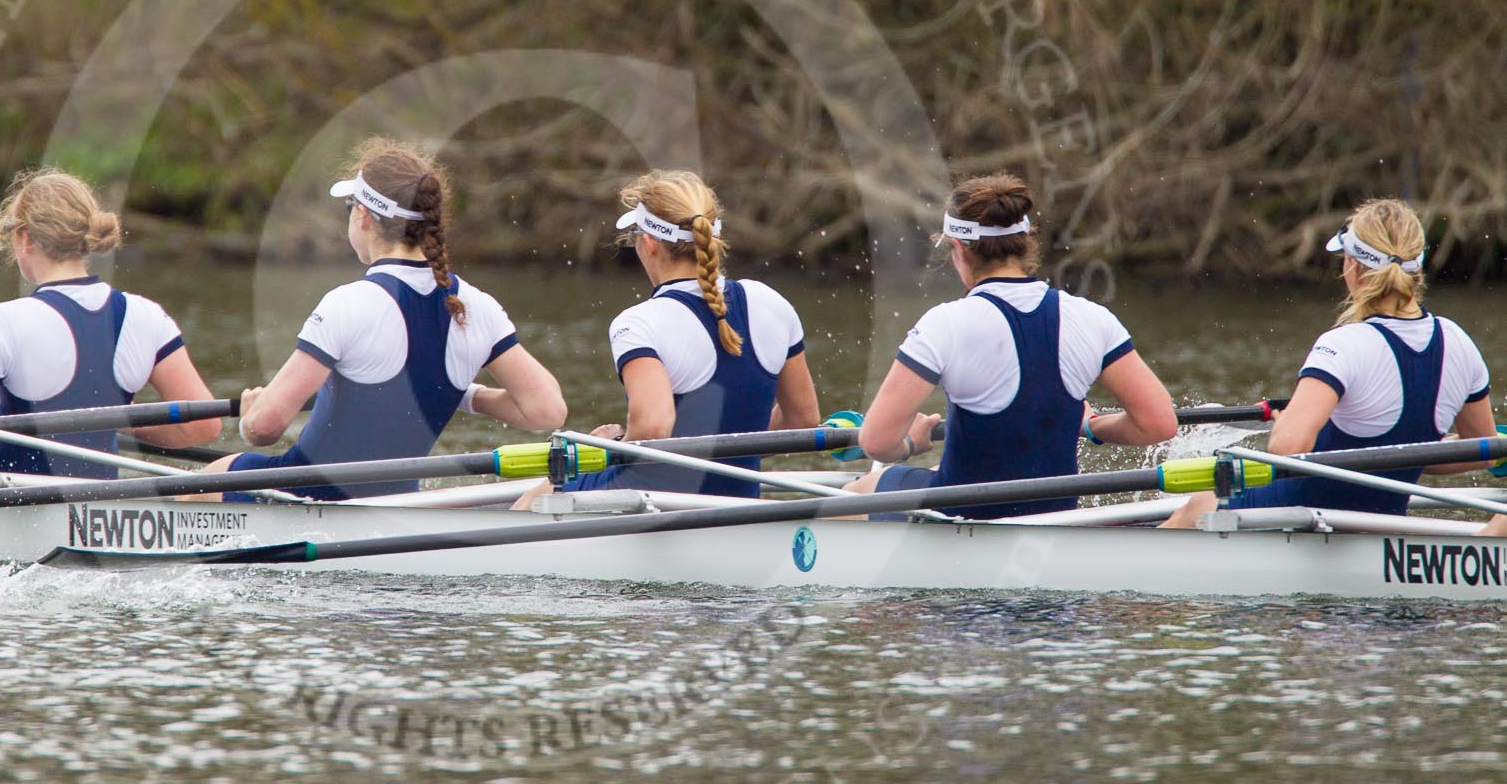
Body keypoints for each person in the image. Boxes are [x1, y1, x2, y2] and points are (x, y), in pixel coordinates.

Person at [199, 138, 565, 501]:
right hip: (398, 501)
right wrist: (463, 395)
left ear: (362, 216)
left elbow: (267, 426)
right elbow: (545, 411)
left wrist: (250, 418)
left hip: (308, 496)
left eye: (348, 207)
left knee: (205, 481)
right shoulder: (476, 305)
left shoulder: (348, 304)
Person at [844, 172, 1177, 519]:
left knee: (854, 494)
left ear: (957, 249)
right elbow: (1158, 424)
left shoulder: (945, 324)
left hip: (963, 516)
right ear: (1024, 242)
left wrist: (911, 441)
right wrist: (1091, 425)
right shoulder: (1093, 318)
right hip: (1057, 516)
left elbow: (876, 441)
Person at [1165, 198, 1494, 528]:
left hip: (1306, 516)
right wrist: (1403, 453)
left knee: (1200, 503)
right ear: (1418, 267)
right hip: (1382, 524)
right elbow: (1481, 449)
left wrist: (1285, 422)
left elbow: (1288, 446)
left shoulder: (1344, 344)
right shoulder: (1458, 343)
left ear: (1352, 265)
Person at [0, 169, 221, 477]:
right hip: (99, 499)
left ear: (24, 239)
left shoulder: (5, 320)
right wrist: (116, 418)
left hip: (12, 496)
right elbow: (204, 425)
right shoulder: (146, 315)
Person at [540, 170, 820, 500]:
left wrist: (608, 448)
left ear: (649, 244)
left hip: (656, 507)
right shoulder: (770, 302)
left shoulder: (639, 323)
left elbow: (654, 427)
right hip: (740, 504)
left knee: (540, 492)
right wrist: (726, 450)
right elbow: (803, 419)